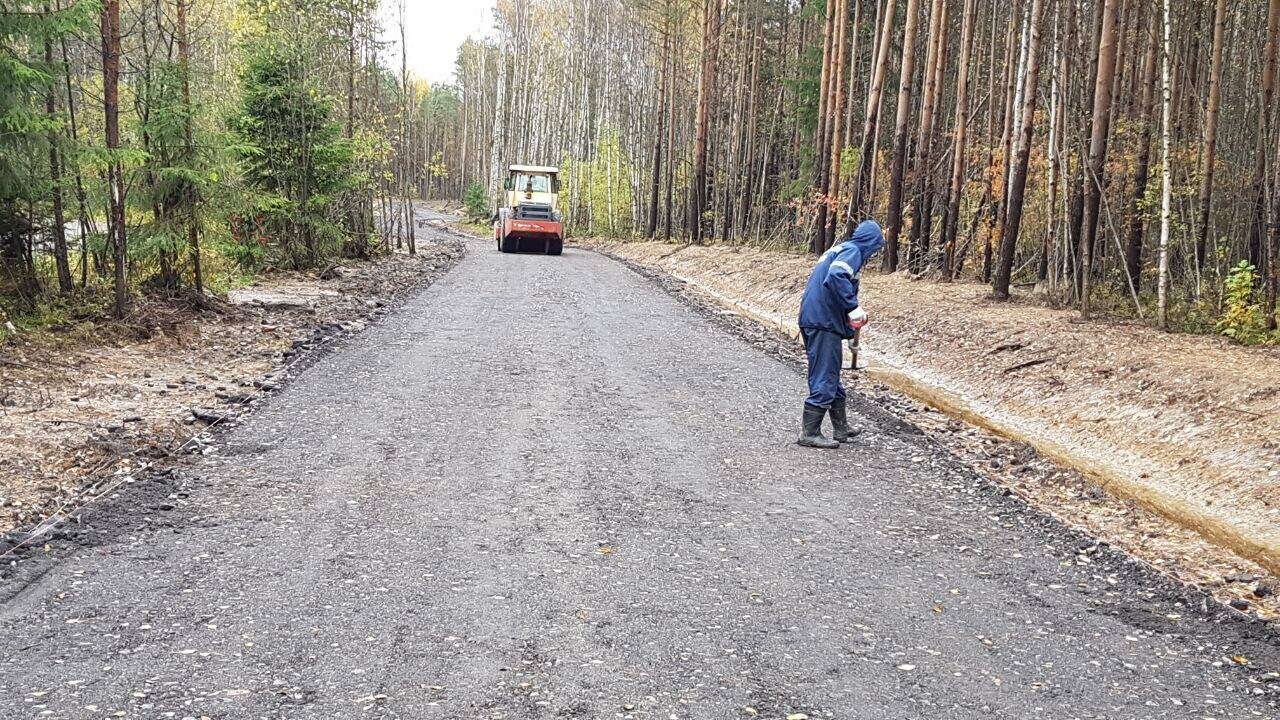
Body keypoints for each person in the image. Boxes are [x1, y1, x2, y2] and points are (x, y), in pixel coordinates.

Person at [796, 219, 885, 448]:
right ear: (869, 242)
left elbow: (831, 287)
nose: (875, 253)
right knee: (825, 374)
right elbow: (836, 277)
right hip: (822, 321)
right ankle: (810, 433)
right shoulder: (853, 251)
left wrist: (849, 320)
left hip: (817, 318)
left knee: (831, 373)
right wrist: (853, 307)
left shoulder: (840, 249)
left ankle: (841, 428)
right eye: (876, 247)